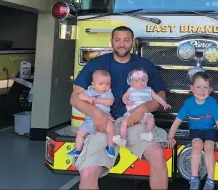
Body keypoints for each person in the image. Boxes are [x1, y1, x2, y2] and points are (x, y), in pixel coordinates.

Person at [70, 26, 169, 190]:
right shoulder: (96, 63)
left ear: (132, 42)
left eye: (126, 40)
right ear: (111, 42)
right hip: (102, 124)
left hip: (133, 123)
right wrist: (96, 114)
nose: (122, 44)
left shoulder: (144, 64)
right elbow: (75, 97)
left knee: (158, 155)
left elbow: (160, 97)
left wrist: (142, 108)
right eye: (117, 40)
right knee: (87, 173)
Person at [167, 72, 218, 190]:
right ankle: (194, 178)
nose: (202, 90)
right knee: (196, 144)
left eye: (205, 87)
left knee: (209, 146)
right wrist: (170, 136)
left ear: (210, 90)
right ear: (192, 89)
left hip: (210, 129)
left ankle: (210, 180)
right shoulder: (189, 103)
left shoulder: (212, 103)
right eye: (198, 87)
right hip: (196, 130)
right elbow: (177, 121)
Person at [114, 68, 171, 146]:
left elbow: (157, 97)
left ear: (147, 80)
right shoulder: (130, 90)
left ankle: (147, 133)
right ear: (131, 83)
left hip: (145, 113)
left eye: (143, 80)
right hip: (131, 113)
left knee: (151, 120)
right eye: (136, 81)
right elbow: (124, 97)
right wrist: (127, 101)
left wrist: (164, 103)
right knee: (124, 122)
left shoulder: (149, 90)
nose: (140, 83)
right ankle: (123, 139)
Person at [67, 70, 116, 158]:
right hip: (90, 119)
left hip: (105, 117)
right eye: (101, 84)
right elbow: (79, 95)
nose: (104, 87)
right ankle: (77, 149)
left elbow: (110, 102)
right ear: (93, 84)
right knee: (80, 133)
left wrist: (99, 100)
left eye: (107, 84)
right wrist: (88, 98)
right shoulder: (90, 90)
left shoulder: (108, 93)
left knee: (111, 130)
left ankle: (110, 147)